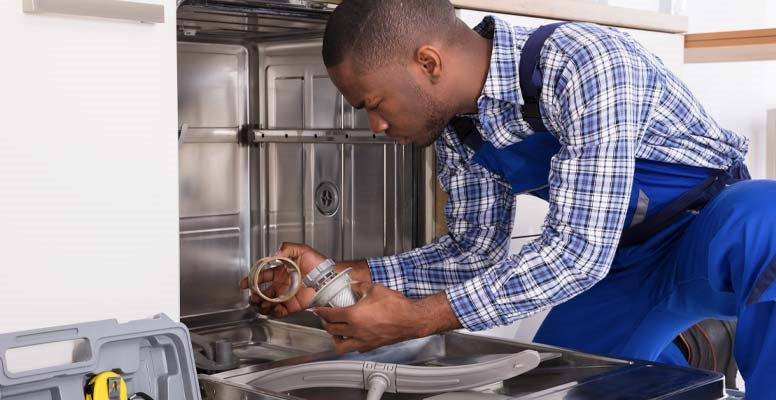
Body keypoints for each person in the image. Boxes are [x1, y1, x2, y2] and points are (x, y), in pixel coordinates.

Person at [239, 0, 776, 396]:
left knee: (764, 219)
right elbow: (472, 253)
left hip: (708, 235)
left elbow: (575, 252)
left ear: (428, 63)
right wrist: (336, 276)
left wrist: (423, 318)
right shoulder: (457, 129)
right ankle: (691, 362)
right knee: (566, 384)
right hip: (621, 265)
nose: (376, 125)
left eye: (375, 103)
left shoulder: (585, 64)